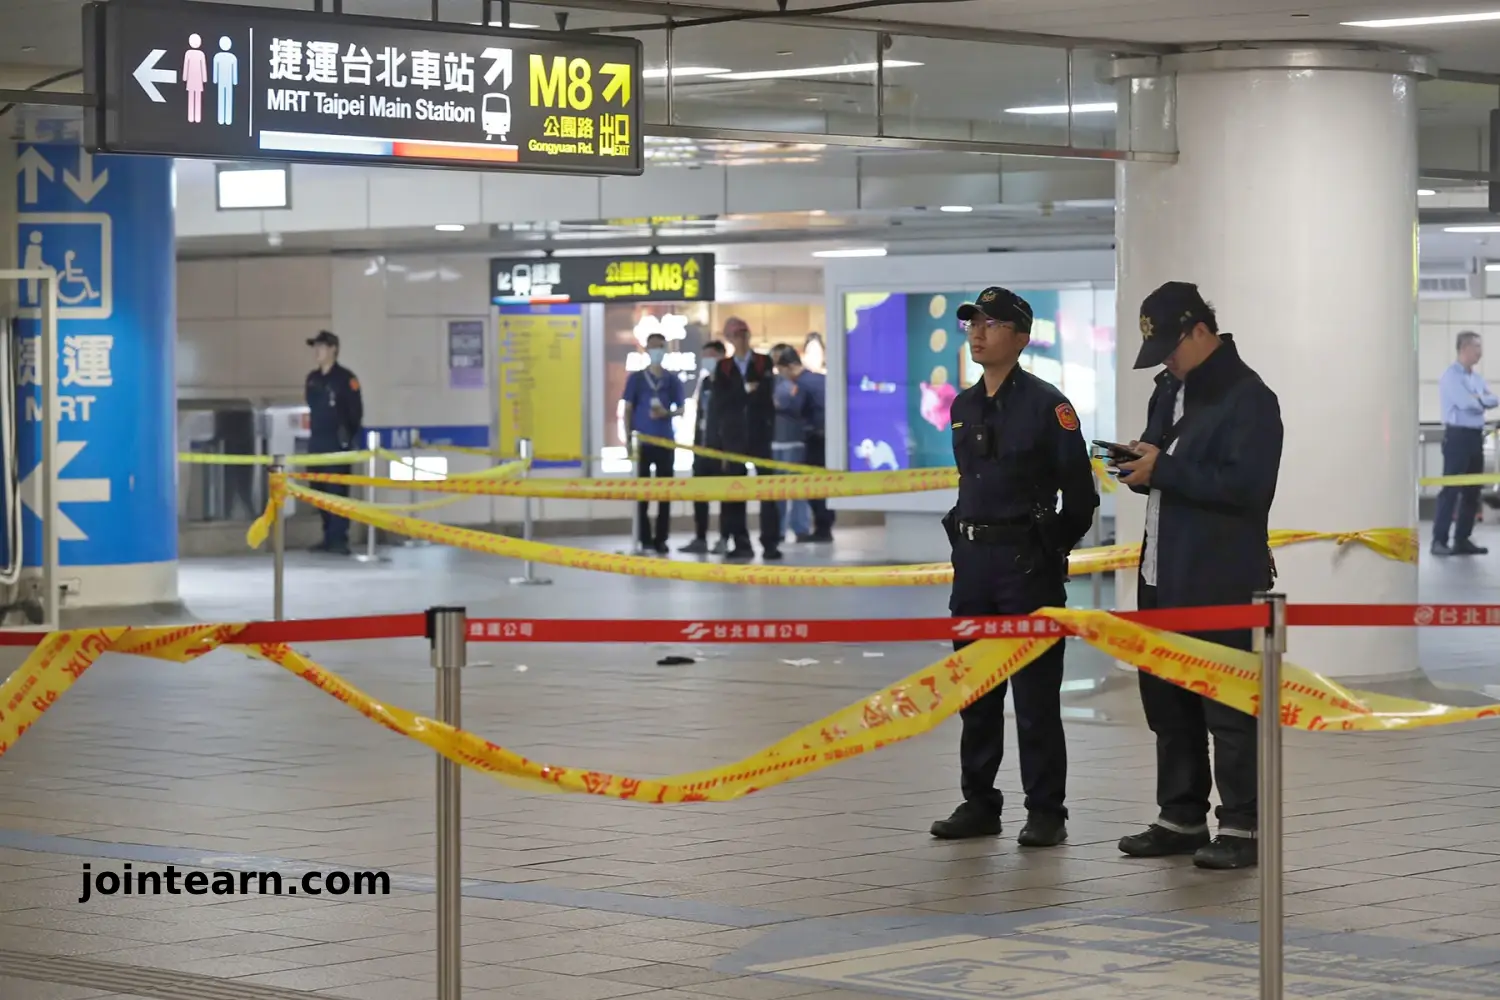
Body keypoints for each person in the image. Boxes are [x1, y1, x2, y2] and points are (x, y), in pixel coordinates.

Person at [1112, 281, 1283, 871]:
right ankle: (1180, 815)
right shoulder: (1170, 391)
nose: (1164, 361)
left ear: (1201, 331)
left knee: (1228, 705)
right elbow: (1168, 469)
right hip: (1162, 569)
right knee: (1167, 699)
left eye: (1170, 348)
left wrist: (1169, 471)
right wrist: (1141, 465)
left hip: (1219, 576)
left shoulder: (1248, 398)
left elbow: (1247, 489)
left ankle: (1242, 826)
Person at [930, 286, 1097, 847]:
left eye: (992, 323)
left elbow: (1081, 499)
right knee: (975, 692)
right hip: (974, 566)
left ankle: (1046, 810)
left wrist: (1048, 550)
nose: (978, 332)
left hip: (1026, 567)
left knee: (1034, 698)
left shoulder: (1050, 407)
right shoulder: (964, 405)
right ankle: (979, 802)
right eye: (973, 322)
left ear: (1021, 338)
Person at [706, 318, 781, 561]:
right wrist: (745, 392)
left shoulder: (763, 361)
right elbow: (720, 403)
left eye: (745, 334)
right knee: (734, 492)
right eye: (736, 335)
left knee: (768, 492)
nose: (741, 339)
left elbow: (766, 394)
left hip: (760, 435)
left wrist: (750, 394)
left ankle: (770, 542)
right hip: (733, 438)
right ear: (728, 338)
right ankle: (740, 541)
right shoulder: (724, 368)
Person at [1432, 331, 1497, 556]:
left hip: (1474, 437)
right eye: (1477, 347)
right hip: (1457, 436)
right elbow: (1465, 403)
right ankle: (1439, 540)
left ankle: (1462, 538)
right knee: (1451, 489)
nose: (1480, 352)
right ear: (1464, 348)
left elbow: (1493, 399)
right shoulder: (1451, 376)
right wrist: (1480, 401)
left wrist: (1478, 400)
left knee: (1472, 491)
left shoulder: (1476, 379)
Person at [622, 332, 684, 554]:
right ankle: (644, 538)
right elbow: (628, 410)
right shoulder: (636, 379)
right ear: (646, 351)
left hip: (665, 442)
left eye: (660, 347)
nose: (656, 351)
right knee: (642, 494)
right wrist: (628, 439)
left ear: (665, 350)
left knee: (664, 493)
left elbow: (682, 408)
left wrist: (667, 413)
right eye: (652, 348)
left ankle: (661, 539)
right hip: (643, 443)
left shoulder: (672, 380)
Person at [304, 330, 364, 555]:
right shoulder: (313, 379)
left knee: (336, 491)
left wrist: (348, 438)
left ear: (333, 350)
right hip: (317, 442)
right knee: (318, 490)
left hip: (337, 443)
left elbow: (355, 413)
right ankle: (328, 534)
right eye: (315, 348)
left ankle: (339, 537)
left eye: (321, 347)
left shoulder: (346, 379)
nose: (317, 352)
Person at [773, 345, 834, 542]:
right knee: (824, 485)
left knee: (814, 488)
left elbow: (796, 408)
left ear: (790, 367)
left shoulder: (803, 384)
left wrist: (777, 407)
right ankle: (824, 528)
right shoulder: (820, 379)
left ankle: (822, 530)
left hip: (815, 439)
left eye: (782, 370)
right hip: (828, 439)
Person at [681, 340, 730, 555]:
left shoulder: (729, 383)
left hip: (721, 450)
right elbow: (700, 416)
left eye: (711, 356)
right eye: (705, 357)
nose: (707, 361)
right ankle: (700, 537)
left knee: (725, 498)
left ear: (721, 356)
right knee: (700, 495)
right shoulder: (706, 382)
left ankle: (724, 538)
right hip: (701, 448)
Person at [770, 344, 813, 542]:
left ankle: (800, 528)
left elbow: (796, 406)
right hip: (775, 441)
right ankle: (777, 529)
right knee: (777, 490)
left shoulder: (799, 383)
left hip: (794, 440)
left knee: (798, 488)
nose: (779, 367)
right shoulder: (770, 382)